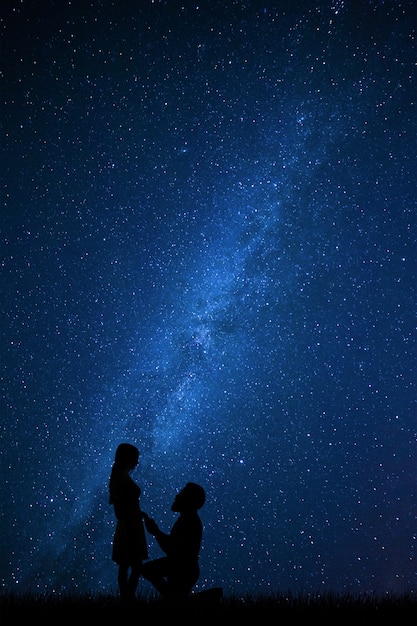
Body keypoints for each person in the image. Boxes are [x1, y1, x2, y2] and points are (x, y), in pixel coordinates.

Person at [141, 482, 206, 602]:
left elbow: (171, 548)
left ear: (190, 501)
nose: (176, 496)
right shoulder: (188, 519)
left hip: (182, 568)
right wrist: (156, 532)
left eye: (181, 494)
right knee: (174, 601)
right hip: (186, 568)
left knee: (172, 600)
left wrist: (156, 532)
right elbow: (174, 545)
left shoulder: (188, 521)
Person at [109, 442, 148, 602]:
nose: (137, 462)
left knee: (128, 564)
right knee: (133, 564)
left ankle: (126, 597)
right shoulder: (120, 478)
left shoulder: (121, 476)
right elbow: (120, 508)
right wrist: (132, 518)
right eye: (135, 459)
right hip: (129, 524)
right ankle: (127, 598)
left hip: (131, 522)